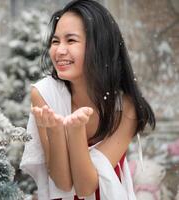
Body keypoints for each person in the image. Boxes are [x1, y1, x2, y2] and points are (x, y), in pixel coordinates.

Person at [20, 0, 156, 200]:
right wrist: (56, 130)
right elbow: (63, 183)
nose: (59, 50)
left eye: (71, 40)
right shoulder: (44, 94)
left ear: (99, 46)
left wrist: (75, 131)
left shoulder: (125, 105)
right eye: (55, 41)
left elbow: (86, 187)